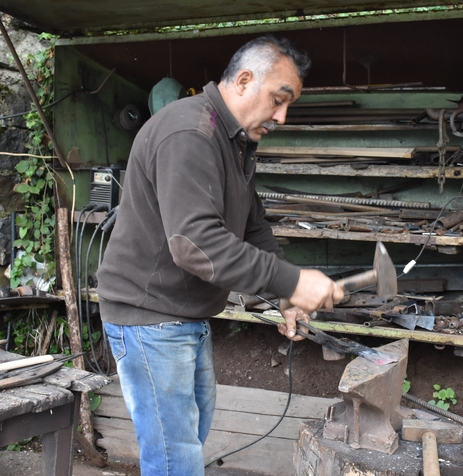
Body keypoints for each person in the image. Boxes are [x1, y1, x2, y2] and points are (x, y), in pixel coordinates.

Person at [96, 35, 344, 475]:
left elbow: (252, 226)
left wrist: (285, 295)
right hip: (148, 316)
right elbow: (196, 244)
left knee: (189, 437)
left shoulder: (234, 141)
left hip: (185, 314)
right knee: (176, 456)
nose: (282, 117)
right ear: (245, 80)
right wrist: (292, 281)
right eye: (278, 100)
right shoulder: (190, 134)